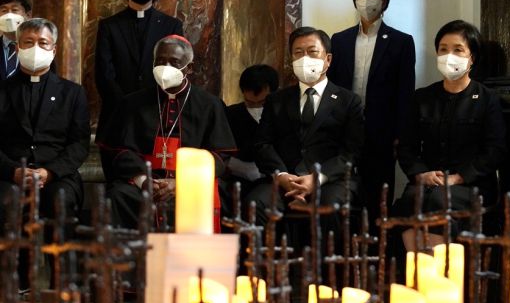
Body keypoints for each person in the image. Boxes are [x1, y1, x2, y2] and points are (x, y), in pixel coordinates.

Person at [101, 35, 235, 230]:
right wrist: (144, 180)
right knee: (117, 196)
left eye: (174, 62)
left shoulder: (210, 105)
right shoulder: (132, 103)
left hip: (191, 185)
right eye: (160, 61)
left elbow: (220, 156)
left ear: (189, 68)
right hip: (144, 183)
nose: (166, 67)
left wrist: (181, 183)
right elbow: (118, 150)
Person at [394, 20, 506, 251]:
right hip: (429, 181)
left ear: (472, 57)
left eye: (458, 49)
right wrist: (421, 174)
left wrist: (458, 178)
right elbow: (406, 146)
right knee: (410, 201)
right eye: (443, 49)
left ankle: (439, 270)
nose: (449, 56)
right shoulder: (422, 98)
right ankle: (417, 267)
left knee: (439, 200)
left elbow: (495, 151)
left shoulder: (487, 99)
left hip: (471, 185)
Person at [248, 26, 364, 227]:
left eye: (312, 52)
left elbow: (352, 151)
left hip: (330, 181)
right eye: (298, 53)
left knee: (330, 208)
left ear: (328, 59)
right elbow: (262, 144)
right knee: (255, 203)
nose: (305, 58)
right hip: (285, 179)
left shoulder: (348, 101)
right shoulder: (276, 100)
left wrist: (317, 178)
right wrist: (282, 176)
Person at [329, 0, 415, 231]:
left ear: (384, 1)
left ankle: (378, 246)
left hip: (382, 131)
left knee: (379, 195)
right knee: (343, 191)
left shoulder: (401, 42)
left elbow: (405, 93)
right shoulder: (339, 40)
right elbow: (333, 86)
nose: (367, 0)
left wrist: (401, 135)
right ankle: (348, 243)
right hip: (344, 129)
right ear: (355, 0)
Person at [95, 0, 184, 177]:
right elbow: (104, 74)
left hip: (158, 117)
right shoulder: (109, 26)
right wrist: (127, 106)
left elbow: (176, 71)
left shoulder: (172, 26)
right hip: (117, 118)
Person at [0, 18, 89, 233]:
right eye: (28, 42)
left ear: (54, 49)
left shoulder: (72, 93)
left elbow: (79, 144)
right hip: (7, 175)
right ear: (18, 48)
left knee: (60, 200)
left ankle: (61, 257)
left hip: (57, 176)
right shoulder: (2, 91)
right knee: (5, 202)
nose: (36, 48)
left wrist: (50, 172)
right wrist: (13, 171)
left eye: (43, 43)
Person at [221, 64, 279, 214]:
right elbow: (220, 152)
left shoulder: (282, 115)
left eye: (262, 103)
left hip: (272, 180)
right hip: (237, 179)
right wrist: (237, 166)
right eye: (250, 102)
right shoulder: (230, 114)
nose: (256, 107)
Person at [0, 0, 33, 80]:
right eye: (4, 10)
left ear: (28, 15)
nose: (8, 16)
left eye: (14, 10)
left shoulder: (38, 49)